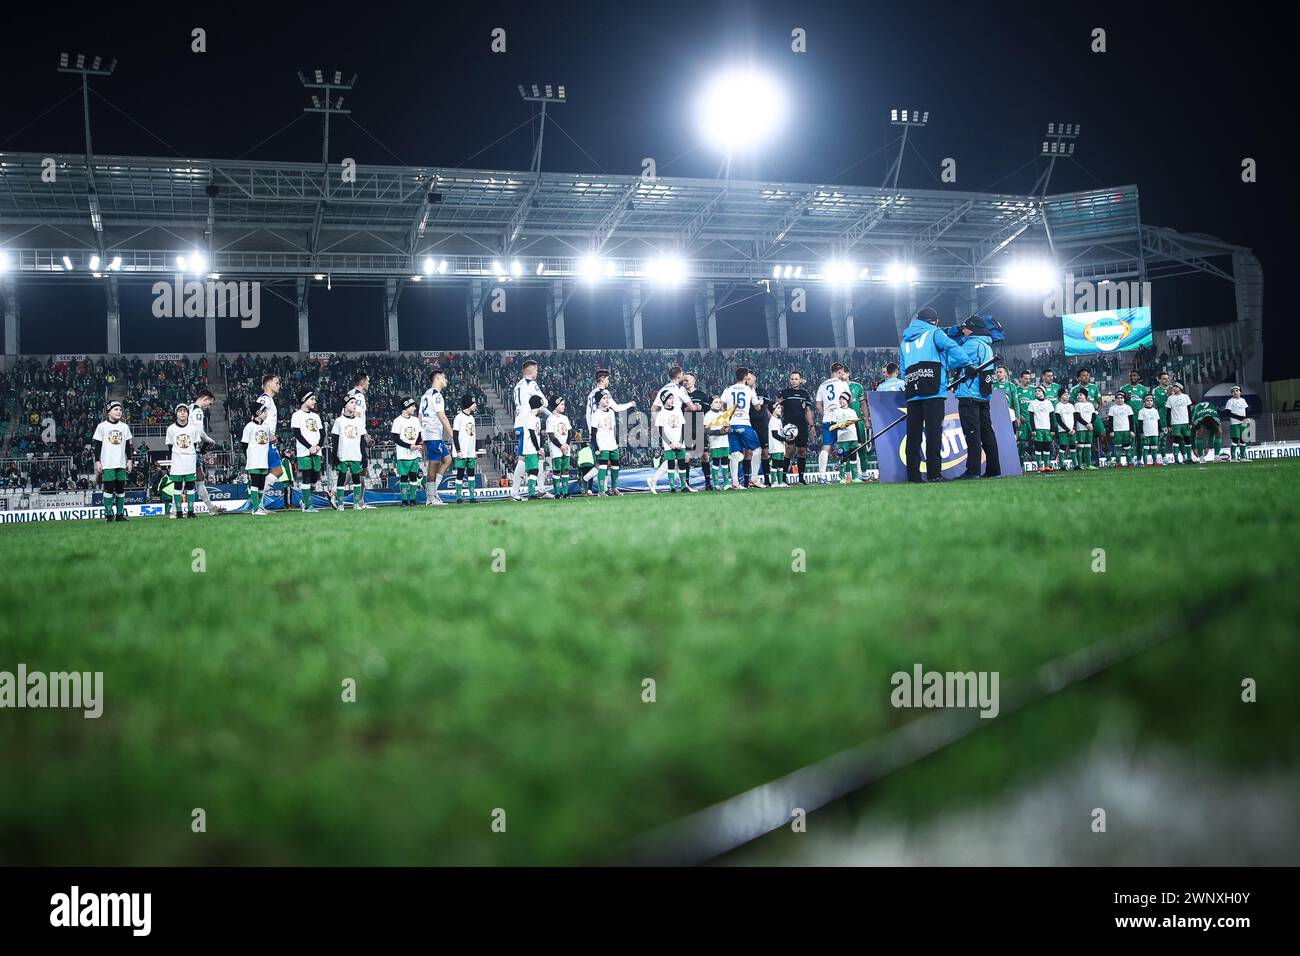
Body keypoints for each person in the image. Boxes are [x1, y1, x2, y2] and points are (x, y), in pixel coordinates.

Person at [900, 307, 968, 483]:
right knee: (933, 433)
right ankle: (934, 474)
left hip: (913, 391)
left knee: (913, 436)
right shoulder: (934, 333)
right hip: (933, 390)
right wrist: (967, 362)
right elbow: (951, 346)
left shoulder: (905, 340)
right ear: (935, 321)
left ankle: (913, 476)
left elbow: (902, 370)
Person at [954, 316, 999, 479]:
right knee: (987, 433)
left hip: (969, 395)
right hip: (983, 395)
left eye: (965, 328)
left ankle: (973, 471)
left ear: (972, 329)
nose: (963, 330)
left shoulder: (971, 344)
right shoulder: (986, 345)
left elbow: (952, 361)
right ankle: (994, 470)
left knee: (972, 434)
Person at [92, 400, 133, 523]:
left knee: (120, 489)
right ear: (108, 412)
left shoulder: (124, 427)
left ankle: (120, 515)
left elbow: (127, 446)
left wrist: (129, 460)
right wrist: (97, 461)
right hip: (107, 463)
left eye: (120, 410)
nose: (119, 412)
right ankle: (108, 515)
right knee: (109, 489)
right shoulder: (102, 426)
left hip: (121, 463)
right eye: (116, 409)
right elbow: (97, 446)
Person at [511, 360, 546, 500]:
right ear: (530, 370)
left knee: (537, 455)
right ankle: (514, 492)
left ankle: (541, 489)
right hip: (528, 423)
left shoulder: (517, 386)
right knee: (523, 457)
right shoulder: (531, 384)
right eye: (536, 370)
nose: (537, 373)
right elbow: (544, 401)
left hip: (520, 421)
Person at [721, 367, 762, 489]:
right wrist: (758, 401)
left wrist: (726, 419)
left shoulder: (728, 389)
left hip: (732, 424)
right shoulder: (749, 389)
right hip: (744, 423)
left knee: (734, 453)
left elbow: (722, 406)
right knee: (757, 450)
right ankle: (754, 479)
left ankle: (735, 482)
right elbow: (757, 408)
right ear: (745, 377)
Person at [420, 368, 454, 506]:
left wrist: (421, 432)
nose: (446, 380)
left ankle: (433, 492)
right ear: (438, 378)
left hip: (430, 433)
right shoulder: (437, 395)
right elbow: (442, 416)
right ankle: (430, 497)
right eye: (444, 377)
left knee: (447, 459)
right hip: (433, 434)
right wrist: (453, 434)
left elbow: (420, 416)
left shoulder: (425, 395)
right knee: (433, 465)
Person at [776, 371, 816, 484]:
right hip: (789, 424)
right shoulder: (785, 393)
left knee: (802, 451)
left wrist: (812, 425)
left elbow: (807, 410)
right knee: (789, 449)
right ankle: (783, 477)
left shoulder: (805, 393)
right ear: (790, 380)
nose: (794, 381)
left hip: (802, 424)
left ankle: (801, 478)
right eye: (792, 379)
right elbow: (778, 407)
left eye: (796, 379)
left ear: (800, 380)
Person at [189, 388, 224, 515]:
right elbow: (198, 431)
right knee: (186, 479)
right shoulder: (197, 410)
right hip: (191, 449)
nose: (208, 407)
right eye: (209, 404)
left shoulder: (189, 408)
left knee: (200, 477)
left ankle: (210, 508)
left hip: (190, 449)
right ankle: (175, 510)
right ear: (205, 399)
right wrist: (209, 439)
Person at [330, 394, 368, 508]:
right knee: (341, 478)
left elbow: (361, 440)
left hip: (356, 454)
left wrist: (364, 455)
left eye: (355, 403)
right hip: (343, 454)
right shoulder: (339, 421)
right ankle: (340, 504)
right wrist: (334, 455)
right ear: (345, 405)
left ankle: (356, 504)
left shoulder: (359, 421)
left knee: (357, 478)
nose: (354, 405)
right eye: (351, 403)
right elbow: (335, 440)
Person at [816, 363, 853, 478]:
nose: (843, 375)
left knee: (826, 446)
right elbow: (850, 399)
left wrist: (825, 413)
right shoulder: (842, 384)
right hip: (840, 417)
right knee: (844, 445)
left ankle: (822, 476)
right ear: (839, 372)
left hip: (827, 418)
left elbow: (818, 405)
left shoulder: (822, 385)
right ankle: (847, 475)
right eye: (841, 372)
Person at [256, 374, 288, 508]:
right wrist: (268, 435)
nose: (279, 385)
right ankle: (257, 501)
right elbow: (257, 416)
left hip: (267, 440)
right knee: (277, 470)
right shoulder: (264, 399)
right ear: (268, 384)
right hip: (264, 441)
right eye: (276, 382)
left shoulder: (269, 400)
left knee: (274, 471)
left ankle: (259, 502)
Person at [291, 390, 325, 512]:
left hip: (316, 451)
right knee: (306, 477)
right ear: (304, 400)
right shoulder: (296, 415)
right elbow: (297, 434)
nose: (314, 401)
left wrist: (318, 446)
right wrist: (309, 446)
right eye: (312, 399)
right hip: (304, 451)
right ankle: (307, 506)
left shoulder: (316, 416)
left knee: (315, 479)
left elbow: (322, 433)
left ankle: (305, 501)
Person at [166, 403, 201, 518]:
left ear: (187, 414)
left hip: (190, 461)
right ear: (176, 413)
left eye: (184, 411)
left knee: (190, 486)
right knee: (178, 487)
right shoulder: (171, 429)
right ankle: (179, 512)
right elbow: (170, 446)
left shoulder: (193, 429)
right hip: (177, 462)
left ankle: (191, 511)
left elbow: (195, 444)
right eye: (180, 411)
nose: (182, 413)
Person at [345, 372, 374, 506]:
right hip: (355, 436)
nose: (368, 384)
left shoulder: (350, 393)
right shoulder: (359, 396)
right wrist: (364, 436)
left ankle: (360, 500)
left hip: (350, 434)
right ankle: (335, 492)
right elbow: (356, 417)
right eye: (367, 381)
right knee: (360, 467)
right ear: (362, 383)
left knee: (359, 467)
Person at [240, 402, 273, 516]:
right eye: (264, 411)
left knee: (261, 485)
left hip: (264, 460)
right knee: (254, 483)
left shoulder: (266, 427)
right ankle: (255, 508)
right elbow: (244, 444)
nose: (266, 413)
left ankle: (259, 506)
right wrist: (248, 457)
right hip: (254, 461)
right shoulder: (249, 426)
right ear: (258, 413)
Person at [391, 397, 424, 506]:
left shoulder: (415, 420)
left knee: (413, 476)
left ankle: (413, 500)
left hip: (414, 454)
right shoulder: (397, 421)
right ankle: (404, 501)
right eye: (412, 406)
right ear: (406, 407)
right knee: (404, 477)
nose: (415, 408)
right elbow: (396, 439)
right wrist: (410, 446)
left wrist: (418, 444)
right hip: (403, 455)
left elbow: (419, 435)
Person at [651, 393, 688, 493]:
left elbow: (683, 426)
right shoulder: (661, 414)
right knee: (670, 464)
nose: (672, 400)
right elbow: (661, 431)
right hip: (669, 445)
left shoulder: (678, 410)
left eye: (672, 398)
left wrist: (681, 441)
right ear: (664, 400)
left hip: (680, 443)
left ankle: (684, 486)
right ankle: (672, 487)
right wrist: (670, 443)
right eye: (669, 398)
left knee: (682, 464)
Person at [591, 392, 622, 495]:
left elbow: (613, 428)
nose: (607, 400)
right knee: (603, 467)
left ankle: (614, 488)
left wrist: (616, 441)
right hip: (602, 445)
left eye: (607, 398)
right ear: (599, 401)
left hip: (612, 443)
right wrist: (595, 447)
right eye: (604, 398)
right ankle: (601, 491)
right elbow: (593, 433)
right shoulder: (596, 414)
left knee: (615, 466)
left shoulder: (611, 412)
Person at [452, 394, 480, 502]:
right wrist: (458, 450)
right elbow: (455, 435)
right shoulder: (459, 417)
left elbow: (472, 436)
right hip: (462, 452)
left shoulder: (472, 418)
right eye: (473, 403)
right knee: (460, 473)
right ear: (469, 405)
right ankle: (459, 496)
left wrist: (474, 451)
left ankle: (472, 496)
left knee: (471, 473)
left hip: (470, 452)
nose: (475, 405)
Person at [828, 393, 861, 483]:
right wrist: (839, 427)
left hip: (853, 437)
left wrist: (859, 440)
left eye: (843, 399)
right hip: (842, 438)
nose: (841, 401)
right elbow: (832, 426)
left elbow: (856, 425)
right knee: (843, 458)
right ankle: (842, 477)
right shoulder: (836, 411)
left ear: (847, 401)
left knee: (853, 457)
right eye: (840, 399)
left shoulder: (852, 412)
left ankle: (855, 477)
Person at [545, 396, 573, 498]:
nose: (564, 406)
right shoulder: (550, 419)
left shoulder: (565, 418)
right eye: (561, 404)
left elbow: (570, 433)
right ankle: (557, 493)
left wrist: (566, 444)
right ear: (555, 405)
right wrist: (561, 446)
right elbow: (551, 435)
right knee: (557, 471)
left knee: (565, 470)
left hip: (566, 448)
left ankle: (565, 493)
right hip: (556, 449)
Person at [703, 397, 731, 490]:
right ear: (710, 404)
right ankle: (716, 484)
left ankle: (726, 484)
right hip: (715, 443)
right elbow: (706, 430)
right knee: (715, 463)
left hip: (724, 442)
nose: (718, 404)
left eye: (719, 402)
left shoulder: (723, 414)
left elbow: (727, 428)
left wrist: (727, 430)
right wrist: (719, 432)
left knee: (725, 462)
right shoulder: (708, 415)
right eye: (716, 402)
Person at [1026, 386, 1055, 472]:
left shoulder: (1049, 403)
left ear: (1043, 392)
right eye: (1036, 391)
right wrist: (1033, 429)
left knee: (1047, 446)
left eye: (1039, 391)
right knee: (1038, 447)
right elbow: (1031, 418)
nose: (1037, 392)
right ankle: (1039, 466)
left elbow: (1052, 417)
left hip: (1047, 428)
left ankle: (1047, 465)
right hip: (1038, 428)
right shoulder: (1033, 403)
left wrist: (1052, 429)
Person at [1165, 382, 1193, 464]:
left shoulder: (1186, 397)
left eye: (1176, 386)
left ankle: (1189, 459)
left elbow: (1189, 410)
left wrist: (1190, 422)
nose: (1174, 388)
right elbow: (1168, 413)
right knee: (1176, 440)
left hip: (1185, 422)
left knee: (1187, 440)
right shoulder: (1170, 398)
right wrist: (1169, 425)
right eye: (1174, 386)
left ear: (1180, 388)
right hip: (1176, 422)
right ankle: (1176, 460)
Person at [1105, 391, 1134, 467]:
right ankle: (1118, 463)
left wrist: (1132, 431)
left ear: (1124, 399)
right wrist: (1111, 431)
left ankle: (1129, 462)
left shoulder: (1128, 407)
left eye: (1121, 398)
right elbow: (1110, 421)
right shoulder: (1112, 408)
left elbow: (1131, 420)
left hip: (1126, 430)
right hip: (1117, 430)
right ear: (1115, 399)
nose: (1120, 399)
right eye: (1118, 398)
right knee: (1118, 447)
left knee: (1127, 447)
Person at [1073, 389, 1098, 469]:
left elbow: (1093, 415)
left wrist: (1091, 424)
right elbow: (1078, 417)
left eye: (1081, 394)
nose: (1079, 396)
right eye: (1078, 395)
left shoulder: (1090, 405)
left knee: (1088, 446)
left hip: (1089, 428)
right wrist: (1086, 424)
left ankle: (1088, 464)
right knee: (1080, 446)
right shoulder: (1077, 405)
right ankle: (1080, 464)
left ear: (1085, 396)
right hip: (1081, 429)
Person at [1054, 388, 1076, 470]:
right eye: (1065, 394)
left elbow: (1075, 418)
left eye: (1068, 394)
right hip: (1063, 431)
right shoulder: (1058, 406)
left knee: (1073, 446)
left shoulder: (1071, 405)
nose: (1067, 396)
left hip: (1072, 430)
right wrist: (1067, 429)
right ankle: (1061, 464)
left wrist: (1074, 428)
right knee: (1063, 446)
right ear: (1060, 396)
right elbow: (1059, 420)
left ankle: (1075, 464)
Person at [766, 403, 788, 487]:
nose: (780, 409)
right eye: (778, 408)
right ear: (773, 410)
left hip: (780, 446)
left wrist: (785, 439)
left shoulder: (778, 420)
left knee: (781, 464)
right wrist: (785, 439)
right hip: (775, 446)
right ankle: (774, 482)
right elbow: (775, 435)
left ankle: (780, 481)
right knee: (775, 464)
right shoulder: (773, 420)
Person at [1225, 385, 1249, 461]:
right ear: (1232, 393)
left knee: (1243, 439)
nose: (1235, 392)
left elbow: (1246, 410)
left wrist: (1246, 418)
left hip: (1244, 422)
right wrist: (1239, 417)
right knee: (1235, 439)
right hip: (1235, 423)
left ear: (1240, 392)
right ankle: (1233, 457)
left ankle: (1243, 457)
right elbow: (1228, 413)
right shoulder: (1230, 401)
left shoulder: (1243, 400)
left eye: (1237, 391)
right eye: (1233, 391)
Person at [1137, 394, 1162, 466]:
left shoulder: (1155, 411)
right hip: (1146, 433)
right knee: (1145, 447)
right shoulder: (1141, 411)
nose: (1149, 402)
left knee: (1154, 447)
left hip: (1154, 432)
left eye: (1151, 401)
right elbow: (1140, 423)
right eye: (1147, 401)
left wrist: (1160, 431)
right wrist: (1141, 432)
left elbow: (1158, 421)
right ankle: (1145, 463)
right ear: (1144, 402)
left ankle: (1155, 462)